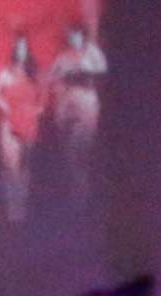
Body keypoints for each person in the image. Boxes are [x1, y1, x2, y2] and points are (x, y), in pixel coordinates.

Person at [51, 19, 107, 208]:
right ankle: (75, 196)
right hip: (67, 106)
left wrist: (82, 72)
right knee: (69, 153)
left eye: (75, 34)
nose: (72, 38)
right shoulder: (63, 56)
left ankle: (82, 197)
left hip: (86, 104)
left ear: (81, 35)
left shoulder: (91, 51)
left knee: (80, 150)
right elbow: (52, 78)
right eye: (70, 35)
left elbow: (102, 71)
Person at [0, 33, 44, 223]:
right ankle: (11, 212)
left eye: (24, 47)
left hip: (29, 123)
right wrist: (4, 105)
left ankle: (21, 210)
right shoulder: (6, 72)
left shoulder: (33, 72)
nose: (21, 51)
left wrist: (38, 110)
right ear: (14, 50)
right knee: (10, 166)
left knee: (25, 167)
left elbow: (42, 96)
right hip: (9, 123)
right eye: (18, 47)